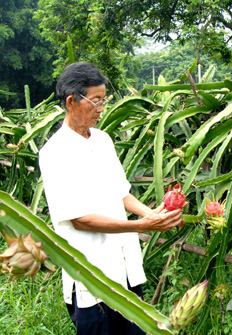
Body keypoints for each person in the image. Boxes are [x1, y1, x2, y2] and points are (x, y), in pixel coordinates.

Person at [39, 62, 184, 335]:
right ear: (72, 101)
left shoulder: (103, 140)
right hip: (90, 275)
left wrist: (148, 214)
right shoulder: (54, 153)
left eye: (103, 101)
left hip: (124, 267)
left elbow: (122, 192)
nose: (102, 109)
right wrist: (139, 227)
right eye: (95, 102)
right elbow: (80, 220)